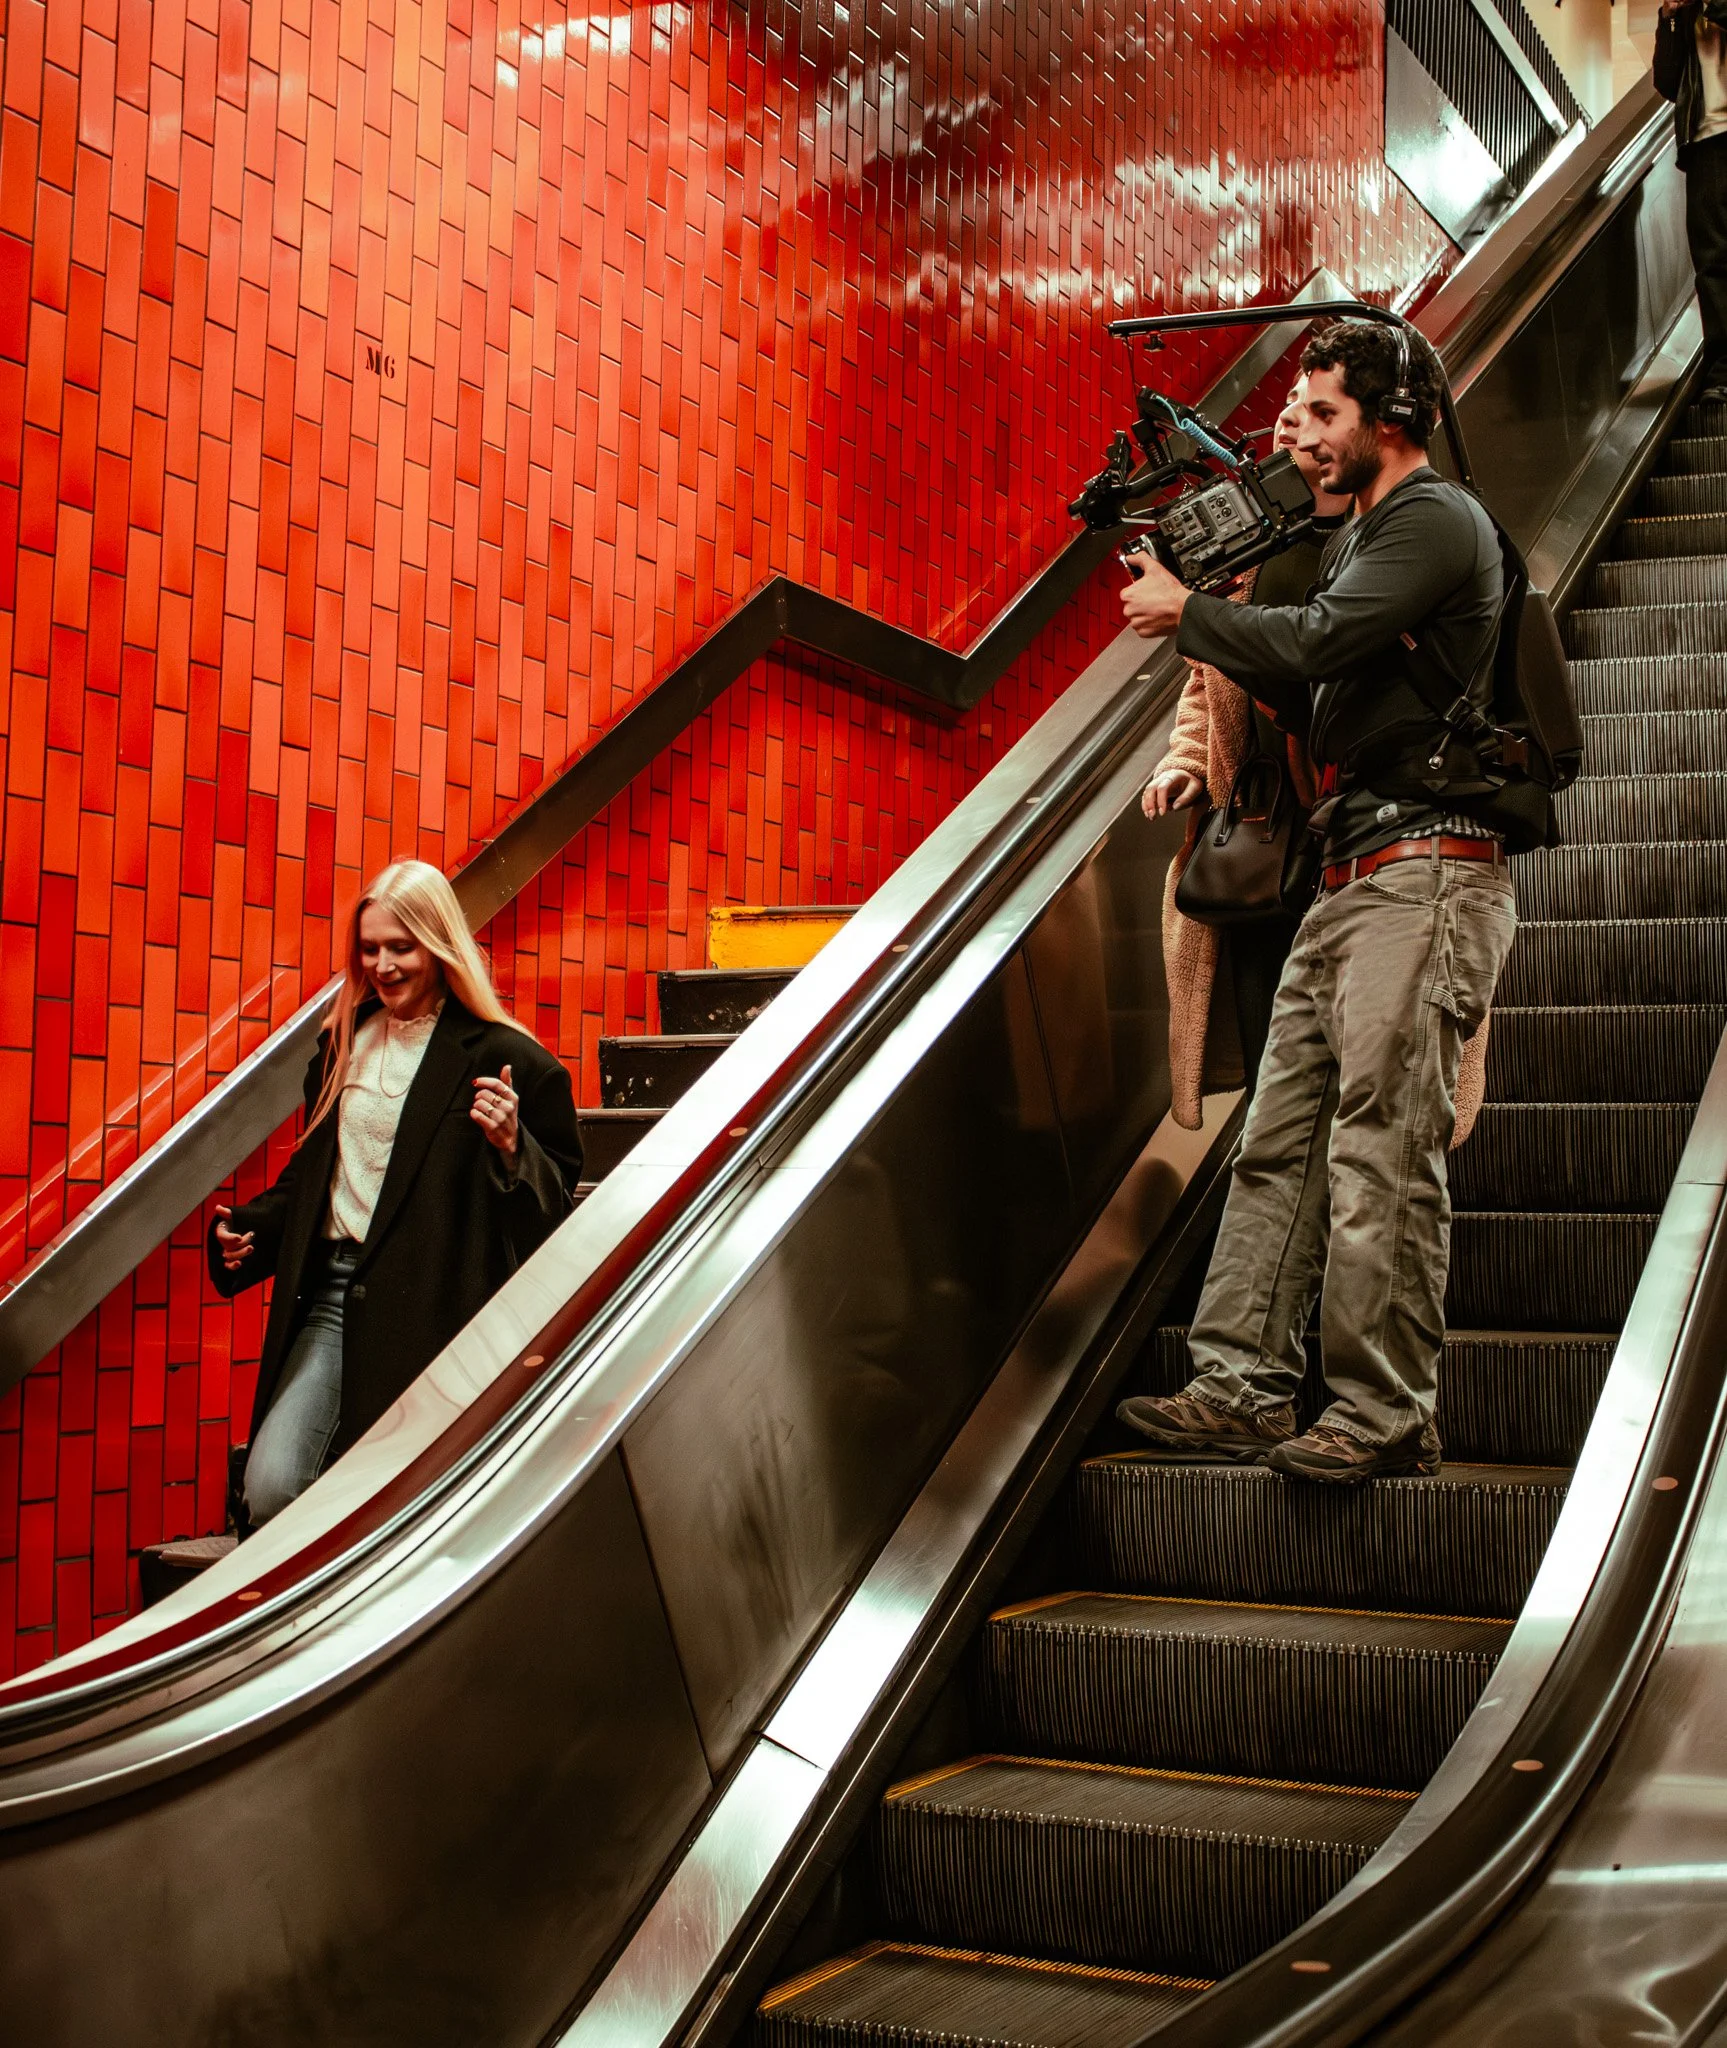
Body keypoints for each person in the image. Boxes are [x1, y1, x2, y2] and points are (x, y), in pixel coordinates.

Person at [1114, 318, 1518, 1484]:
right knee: (1279, 1140)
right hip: (1347, 874)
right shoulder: (1351, 536)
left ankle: (1383, 1409)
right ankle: (1236, 1383)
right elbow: (1309, 669)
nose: (1299, 437)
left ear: (1388, 420)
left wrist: (1187, 615)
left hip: (1428, 867)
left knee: (1381, 1147)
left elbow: (1321, 639)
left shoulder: (1435, 519)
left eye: (1322, 413)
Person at [209, 860, 582, 1525]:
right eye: (370, 947)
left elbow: (552, 1214)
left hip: (436, 1311)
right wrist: (253, 1231)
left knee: (404, 1509)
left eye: (400, 947)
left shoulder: (507, 1059)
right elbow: (320, 1172)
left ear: (438, 945)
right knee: (271, 1488)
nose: (381, 964)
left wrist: (511, 1147)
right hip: (330, 1296)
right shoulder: (342, 1043)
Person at [1145, 378, 1350, 1123]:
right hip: (1261, 846)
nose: (1291, 418)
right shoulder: (1248, 555)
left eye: (1317, 406)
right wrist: (1185, 765)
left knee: (1351, 1050)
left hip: (1354, 838)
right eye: (1288, 402)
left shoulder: (1378, 541)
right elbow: (1204, 689)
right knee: (1275, 1054)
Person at [1656, 0, 1727, 404]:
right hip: (1703, 141)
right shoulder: (1684, 11)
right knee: (1712, 261)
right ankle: (1722, 371)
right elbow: (1668, 81)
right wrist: (1667, 18)